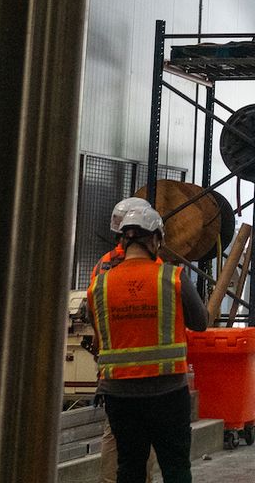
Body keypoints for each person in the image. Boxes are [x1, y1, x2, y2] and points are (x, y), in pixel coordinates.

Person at [88, 200, 208, 483]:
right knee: (176, 468)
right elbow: (201, 322)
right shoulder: (173, 277)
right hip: (167, 391)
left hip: (118, 394)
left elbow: (99, 334)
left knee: (129, 467)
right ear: (155, 239)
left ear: (122, 240)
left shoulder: (99, 285)